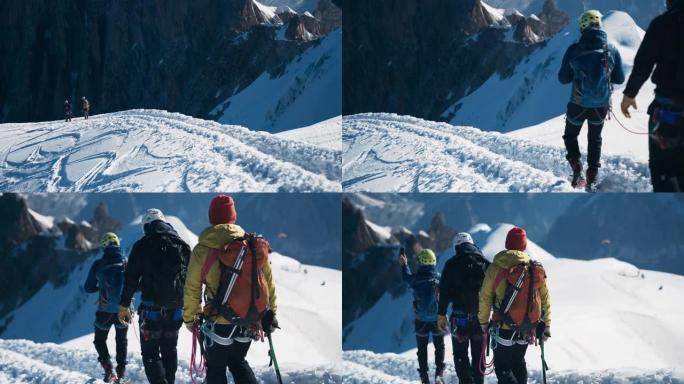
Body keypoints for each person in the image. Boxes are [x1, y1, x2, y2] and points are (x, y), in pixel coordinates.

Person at [183, 195, 278, 384]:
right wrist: (270, 313)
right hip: (248, 320)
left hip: (217, 321)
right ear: (233, 217)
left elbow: (192, 288)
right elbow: (268, 280)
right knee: (238, 362)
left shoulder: (203, 249)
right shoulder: (251, 245)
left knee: (216, 368)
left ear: (211, 218)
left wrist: (190, 318)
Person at [118, 208, 192, 384]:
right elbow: (193, 279)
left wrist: (124, 305)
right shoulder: (182, 245)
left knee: (150, 353)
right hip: (177, 310)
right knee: (169, 348)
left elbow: (131, 279)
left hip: (151, 310)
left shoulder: (141, 246)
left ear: (147, 226)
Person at [558, 10, 625, 190]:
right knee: (594, 139)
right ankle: (592, 177)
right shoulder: (611, 49)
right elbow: (620, 79)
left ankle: (577, 169)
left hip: (577, 104)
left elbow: (563, 78)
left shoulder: (574, 49)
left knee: (570, 135)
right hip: (601, 105)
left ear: (583, 27)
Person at [621, 0, 684, 192]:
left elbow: (644, 63)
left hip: (667, 112)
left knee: (664, 173)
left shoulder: (663, 24)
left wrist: (629, 94)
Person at [478, 227, 551, 384]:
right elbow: (544, 298)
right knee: (518, 362)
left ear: (507, 244)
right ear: (524, 246)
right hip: (527, 327)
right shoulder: (534, 268)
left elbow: (484, 297)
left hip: (503, 325)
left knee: (502, 366)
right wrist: (547, 326)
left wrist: (483, 322)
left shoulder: (496, 267)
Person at [437, 233, 490, 384]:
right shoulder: (485, 264)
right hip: (481, 318)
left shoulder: (451, 264)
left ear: (457, 247)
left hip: (459, 318)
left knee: (460, 354)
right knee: (479, 354)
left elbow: (444, 291)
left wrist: (441, 314)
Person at [85, 232, 128, 383]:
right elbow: (136, 286)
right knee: (121, 340)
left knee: (100, 340)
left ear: (104, 246)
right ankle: (121, 371)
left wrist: (100, 288)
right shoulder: (126, 262)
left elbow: (88, 287)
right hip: (124, 309)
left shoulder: (99, 264)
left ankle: (108, 369)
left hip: (105, 310)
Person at [400, 248, 446, 384]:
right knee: (440, 346)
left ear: (421, 262)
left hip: (421, 320)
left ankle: (424, 377)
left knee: (422, 349)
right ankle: (439, 373)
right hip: (438, 318)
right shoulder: (439, 278)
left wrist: (404, 265)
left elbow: (406, 277)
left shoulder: (415, 279)